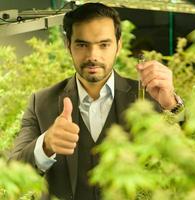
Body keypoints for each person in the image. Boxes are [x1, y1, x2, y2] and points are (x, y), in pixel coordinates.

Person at [10, 3, 184, 200]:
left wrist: (172, 105)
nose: (93, 56)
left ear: (118, 46)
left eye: (104, 44)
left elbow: (192, 161)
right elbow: (13, 173)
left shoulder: (150, 98)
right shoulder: (41, 102)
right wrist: (46, 145)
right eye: (82, 45)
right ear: (68, 46)